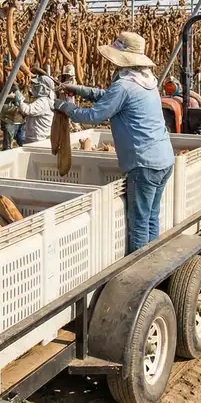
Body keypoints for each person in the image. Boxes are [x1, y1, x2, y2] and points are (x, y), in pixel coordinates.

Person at [55, 31, 174, 253]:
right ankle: (152, 262)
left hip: (144, 164)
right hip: (163, 159)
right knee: (150, 218)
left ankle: (139, 271)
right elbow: (108, 96)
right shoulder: (146, 80)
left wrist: (65, 108)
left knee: (139, 222)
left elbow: (93, 117)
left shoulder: (124, 85)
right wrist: (77, 89)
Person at [14, 75, 55, 145]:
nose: (33, 87)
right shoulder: (45, 100)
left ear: (42, 88)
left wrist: (18, 97)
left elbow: (27, 110)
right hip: (38, 138)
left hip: (37, 140)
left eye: (36, 85)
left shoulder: (43, 102)